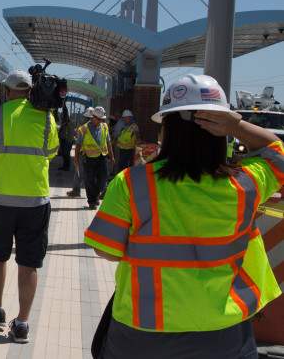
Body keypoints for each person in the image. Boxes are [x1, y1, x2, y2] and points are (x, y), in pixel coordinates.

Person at [84, 74, 283, 358]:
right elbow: (276, 153)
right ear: (221, 132)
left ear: (167, 130)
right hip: (224, 334)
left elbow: (106, 251)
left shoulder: (132, 183)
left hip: (141, 333)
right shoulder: (246, 184)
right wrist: (236, 125)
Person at [0, 69, 59, 344]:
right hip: (35, 201)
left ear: (6, 91)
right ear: (30, 91)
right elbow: (51, 154)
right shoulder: (47, 117)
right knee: (29, 263)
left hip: (0, 201)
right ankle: (22, 325)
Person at [74, 106, 115, 210]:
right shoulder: (83, 129)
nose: (101, 121)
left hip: (102, 157)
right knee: (89, 180)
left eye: (102, 119)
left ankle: (95, 195)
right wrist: (76, 159)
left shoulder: (105, 127)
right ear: (93, 117)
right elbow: (78, 145)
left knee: (104, 177)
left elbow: (108, 142)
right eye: (99, 119)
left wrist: (112, 156)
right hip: (89, 158)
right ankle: (92, 201)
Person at [66, 106, 95, 198]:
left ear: (86, 118)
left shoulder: (83, 129)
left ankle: (76, 190)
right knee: (93, 174)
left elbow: (78, 145)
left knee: (79, 173)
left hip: (84, 155)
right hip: (96, 156)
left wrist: (76, 158)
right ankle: (96, 192)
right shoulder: (101, 128)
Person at [114, 109, 140, 174]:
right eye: (124, 118)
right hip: (122, 149)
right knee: (122, 165)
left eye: (126, 118)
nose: (124, 119)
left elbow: (137, 138)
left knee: (122, 166)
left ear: (130, 118)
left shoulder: (134, 127)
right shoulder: (126, 126)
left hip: (128, 150)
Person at [57, 105, 73, 171]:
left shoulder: (70, 124)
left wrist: (68, 142)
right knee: (64, 155)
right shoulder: (64, 124)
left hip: (67, 142)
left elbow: (71, 133)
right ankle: (64, 166)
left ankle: (67, 167)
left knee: (66, 155)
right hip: (63, 141)